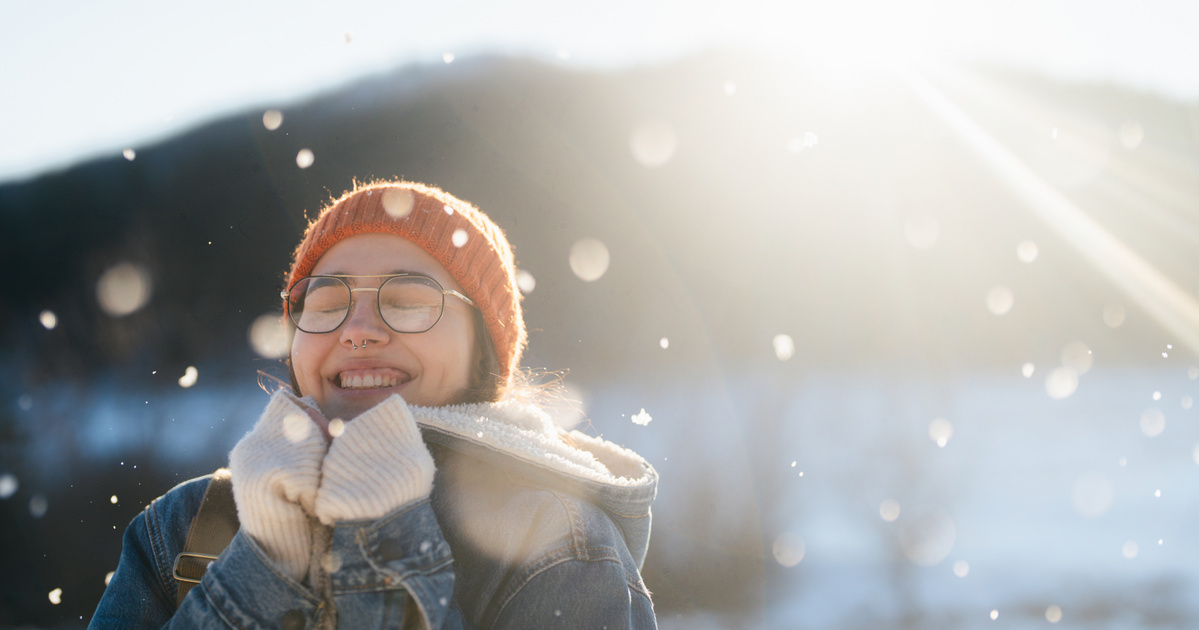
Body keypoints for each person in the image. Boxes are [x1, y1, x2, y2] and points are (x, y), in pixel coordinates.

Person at [89, 181, 659, 629]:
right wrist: (264, 563)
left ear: (481, 350)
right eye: (327, 303)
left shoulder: (556, 538)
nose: (357, 330)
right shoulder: (185, 525)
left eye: (407, 300)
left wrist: (381, 543)